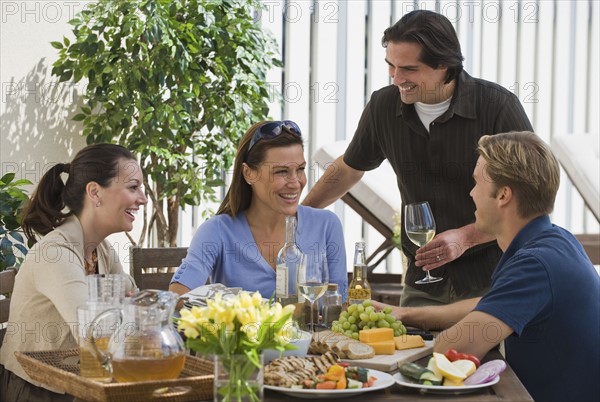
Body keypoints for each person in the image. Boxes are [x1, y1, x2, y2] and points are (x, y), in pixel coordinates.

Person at [302, 10, 534, 307]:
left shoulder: (497, 106)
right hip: (423, 281)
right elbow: (349, 168)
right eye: (391, 66)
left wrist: (465, 238)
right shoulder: (383, 107)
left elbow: (529, 199)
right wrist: (299, 219)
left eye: (409, 69)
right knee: (410, 354)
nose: (397, 79)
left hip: (493, 280)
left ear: (444, 65)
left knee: (483, 355)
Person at [375, 132, 600, 402]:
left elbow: (452, 348)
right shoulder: (558, 241)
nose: (471, 193)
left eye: (476, 182)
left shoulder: (536, 265)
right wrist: (404, 314)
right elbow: (489, 305)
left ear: (504, 195)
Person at [0, 144, 145, 402]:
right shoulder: (55, 253)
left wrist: (123, 295)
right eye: (133, 187)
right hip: (40, 390)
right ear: (95, 192)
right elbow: (94, 333)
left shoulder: (100, 248)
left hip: (83, 382)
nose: (142, 198)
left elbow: (132, 297)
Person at [169, 120, 348, 301]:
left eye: (300, 169)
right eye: (281, 172)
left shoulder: (326, 225)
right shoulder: (217, 231)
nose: (295, 183)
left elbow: (341, 302)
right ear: (248, 174)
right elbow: (178, 295)